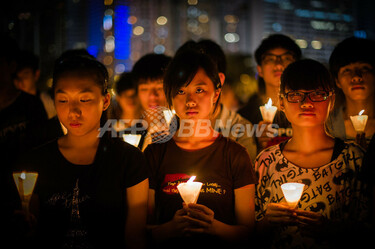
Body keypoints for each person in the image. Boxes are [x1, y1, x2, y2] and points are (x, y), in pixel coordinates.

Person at [15, 55, 149, 249]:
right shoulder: (37, 160)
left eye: (84, 99)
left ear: (105, 101)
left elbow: (135, 237)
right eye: (63, 100)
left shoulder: (129, 159)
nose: (73, 112)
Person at [145, 50, 257, 248]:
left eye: (199, 90)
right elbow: (138, 232)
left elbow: (249, 233)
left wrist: (213, 227)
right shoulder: (155, 154)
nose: (190, 100)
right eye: (180, 91)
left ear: (216, 94)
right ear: (170, 97)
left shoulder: (235, 155)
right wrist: (172, 228)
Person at [254, 59, 369, 249]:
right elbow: (249, 232)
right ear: (281, 102)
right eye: (296, 95)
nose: (306, 103)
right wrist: (268, 221)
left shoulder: (354, 159)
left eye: (317, 94)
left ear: (331, 101)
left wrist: (333, 229)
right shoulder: (266, 161)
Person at [175, 39, 258, 160]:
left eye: (199, 88)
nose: (190, 99)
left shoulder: (239, 129)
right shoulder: (166, 128)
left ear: (219, 80)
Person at [238, 34, 302, 152]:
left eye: (286, 58)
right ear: (260, 70)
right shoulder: (244, 117)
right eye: (270, 59)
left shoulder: (307, 109)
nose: (278, 65)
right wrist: (257, 145)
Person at [327, 36, 375, 149]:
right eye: (347, 70)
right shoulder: (328, 127)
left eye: (364, 68)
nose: (356, 77)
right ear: (337, 81)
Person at [131, 53, 172, 151]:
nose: (152, 96)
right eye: (144, 89)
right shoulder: (130, 135)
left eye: (159, 87)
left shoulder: (184, 132)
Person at [14, 49, 56, 119]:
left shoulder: (49, 104)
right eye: (16, 77)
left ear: (36, 75)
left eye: (25, 76)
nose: (20, 81)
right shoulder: (11, 105)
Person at [108, 71, 145, 149]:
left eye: (134, 95)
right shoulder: (110, 128)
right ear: (118, 98)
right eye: (126, 95)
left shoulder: (148, 126)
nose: (130, 99)